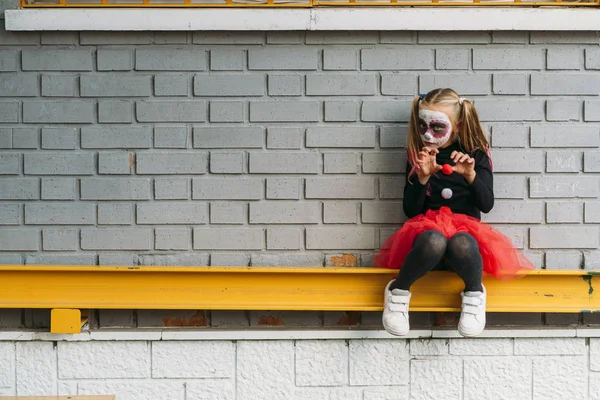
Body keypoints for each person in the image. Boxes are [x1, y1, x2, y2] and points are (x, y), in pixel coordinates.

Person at [374, 88, 535, 337]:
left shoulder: (475, 154)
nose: (428, 134)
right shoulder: (421, 155)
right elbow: (410, 210)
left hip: (464, 242)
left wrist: (470, 175)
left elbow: (486, 204)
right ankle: (398, 292)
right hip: (428, 240)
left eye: (437, 127)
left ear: (457, 125)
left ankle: (474, 295)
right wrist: (423, 177)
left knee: (462, 242)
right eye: (422, 126)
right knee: (434, 240)